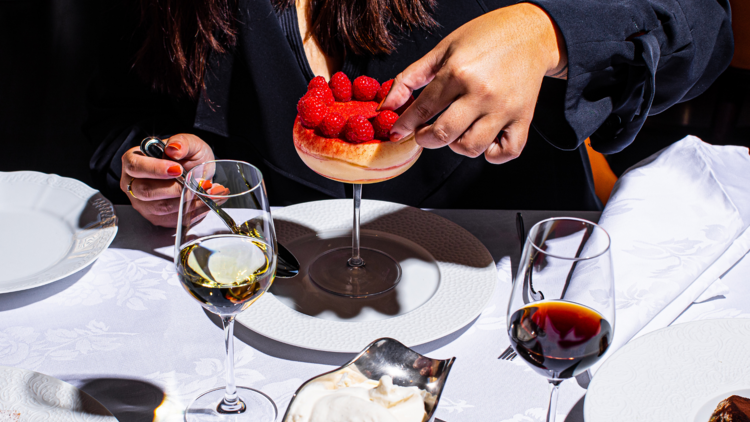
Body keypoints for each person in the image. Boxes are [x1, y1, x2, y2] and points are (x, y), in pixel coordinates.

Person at [86, 0, 732, 227]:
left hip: (500, 271)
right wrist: (157, 158)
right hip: (284, 283)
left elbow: (702, 33)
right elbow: (124, 105)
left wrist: (548, 33)